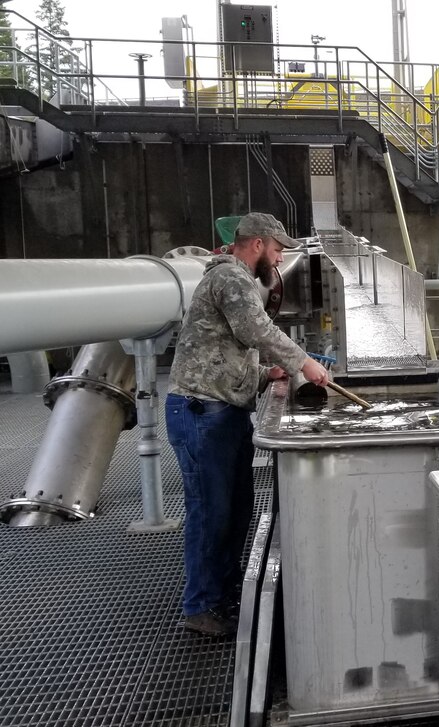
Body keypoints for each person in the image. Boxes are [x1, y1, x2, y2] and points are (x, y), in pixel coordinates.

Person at [166, 212, 329, 637]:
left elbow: (226, 351)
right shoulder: (232, 278)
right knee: (210, 514)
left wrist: (265, 376)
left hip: (222, 411)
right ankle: (201, 605)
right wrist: (302, 362)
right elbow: (255, 329)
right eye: (277, 250)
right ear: (257, 243)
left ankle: (223, 592)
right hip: (202, 413)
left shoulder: (234, 279)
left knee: (234, 512)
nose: (278, 260)